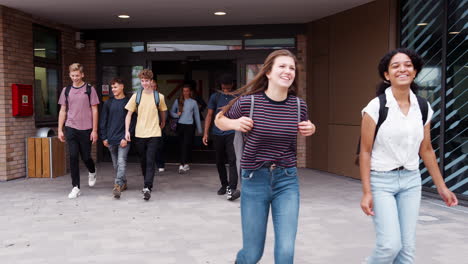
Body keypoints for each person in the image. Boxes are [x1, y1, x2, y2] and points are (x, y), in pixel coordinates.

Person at [215, 49, 316, 264]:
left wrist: (311, 128)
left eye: (292, 68)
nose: (288, 71)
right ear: (268, 72)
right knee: (252, 254)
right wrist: (233, 123)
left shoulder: (298, 106)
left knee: (286, 252)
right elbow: (219, 118)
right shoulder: (248, 103)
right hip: (254, 180)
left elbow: (305, 126)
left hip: (286, 180)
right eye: (282, 66)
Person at [359, 48, 458, 263]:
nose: (402, 69)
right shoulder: (376, 107)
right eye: (395, 66)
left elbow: (427, 150)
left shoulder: (422, 107)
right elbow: (365, 151)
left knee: (407, 251)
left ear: (414, 72)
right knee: (389, 246)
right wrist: (367, 192)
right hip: (381, 181)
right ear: (387, 75)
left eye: (407, 65)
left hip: (411, 181)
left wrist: (442, 187)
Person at [58, 63, 99, 199]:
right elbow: (63, 110)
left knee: (86, 157)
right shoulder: (66, 90)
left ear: (82, 74)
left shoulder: (89, 89)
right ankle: (76, 187)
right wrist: (60, 129)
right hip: (71, 127)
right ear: (70, 75)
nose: (75, 78)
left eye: (77, 75)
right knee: (73, 157)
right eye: (72, 75)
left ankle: (92, 171)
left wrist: (94, 130)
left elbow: (94, 109)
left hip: (86, 128)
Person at [125, 69, 167, 201]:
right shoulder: (136, 96)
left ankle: (147, 186)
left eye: (147, 81)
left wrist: (163, 122)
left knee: (150, 160)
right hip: (139, 133)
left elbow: (163, 111)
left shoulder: (158, 97)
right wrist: (127, 131)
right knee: (143, 160)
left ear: (151, 81)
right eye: (142, 81)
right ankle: (146, 181)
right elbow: (129, 115)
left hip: (154, 133)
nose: (144, 83)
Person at [203, 73, 240, 201]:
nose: (226, 88)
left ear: (232, 85)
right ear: (221, 85)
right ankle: (224, 185)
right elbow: (209, 115)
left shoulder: (237, 96)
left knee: (232, 160)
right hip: (217, 132)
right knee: (219, 161)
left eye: (228, 86)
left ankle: (232, 187)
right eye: (224, 86)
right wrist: (206, 133)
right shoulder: (215, 96)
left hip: (232, 132)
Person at [100, 78, 130, 199]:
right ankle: (123, 182)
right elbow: (103, 121)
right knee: (116, 165)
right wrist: (104, 137)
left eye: (115, 87)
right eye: (112, 88)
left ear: (122, 86)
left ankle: (117, 185)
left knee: (121, 162)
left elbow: (132, 121)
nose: (113, 90)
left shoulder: (128, 102)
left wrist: (126, 137)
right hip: (110, 139)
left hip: (123, 138)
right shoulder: (108, 103)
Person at [170, 84, 202, 174]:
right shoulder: (178, 101)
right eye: (184, 91)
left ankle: (185, 163)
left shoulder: (193, 102)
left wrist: (200, 129)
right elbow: (171, 112)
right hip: (180, 125)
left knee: (187, 144)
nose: (185, 93)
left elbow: (196, 116)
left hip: (190, 126)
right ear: (182, 92)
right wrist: (177, 114)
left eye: (187, 91)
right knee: (181, 144)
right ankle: (182, 164)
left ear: (190, 92)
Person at [152, 80, 167, 173]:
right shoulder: (142, 96)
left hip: (158, 124)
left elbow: (164, 110)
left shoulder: (160, 97)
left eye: (154, 86)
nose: (152, 87)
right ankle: (151, 164)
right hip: (148, 125)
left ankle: (160, 164)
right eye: (151, 86)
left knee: (159, 145)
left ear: (156, 87)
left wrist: (163, 122)